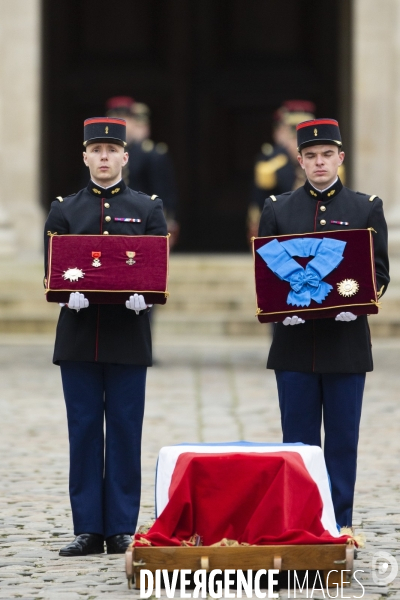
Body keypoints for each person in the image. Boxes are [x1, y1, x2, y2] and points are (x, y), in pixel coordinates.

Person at [44, 117, 167, 556]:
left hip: (127, 336)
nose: (103, 157)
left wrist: (147, 298)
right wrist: (63, 296)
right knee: (82, 431)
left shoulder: (148, 209)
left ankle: (119, 526)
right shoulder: (64, 209)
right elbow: (52, 272)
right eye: (95, 150)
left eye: (111, 150)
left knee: (124, 430)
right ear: (84, 157)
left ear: (124, 156)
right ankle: (87, 528)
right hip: (79, 335)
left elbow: (155, 269)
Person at [258, 118, 390, 528]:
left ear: (340, 158)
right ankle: (298, 521)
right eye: (311, 156)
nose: (319, 163)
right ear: (299, 159)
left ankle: (339, 522)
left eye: (327, 155)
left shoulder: (365, 207)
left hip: (345, 341)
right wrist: (281, 309)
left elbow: (380, 272)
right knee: (297, 443)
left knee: (343, 440)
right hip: (294, 343)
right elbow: (265, 272)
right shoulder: (278, 208)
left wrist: (363, 302)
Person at [106, 96, 179, 248]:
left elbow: (162, 194)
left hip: (141, 225)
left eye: (125, 120)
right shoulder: (101, 154)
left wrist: (164, 224)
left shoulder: (150, 154)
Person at [248, 100, 316, 241]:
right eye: (292, 131)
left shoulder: (319, 158)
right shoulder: (273, 160)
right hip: (280, 231)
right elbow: (261, 200)